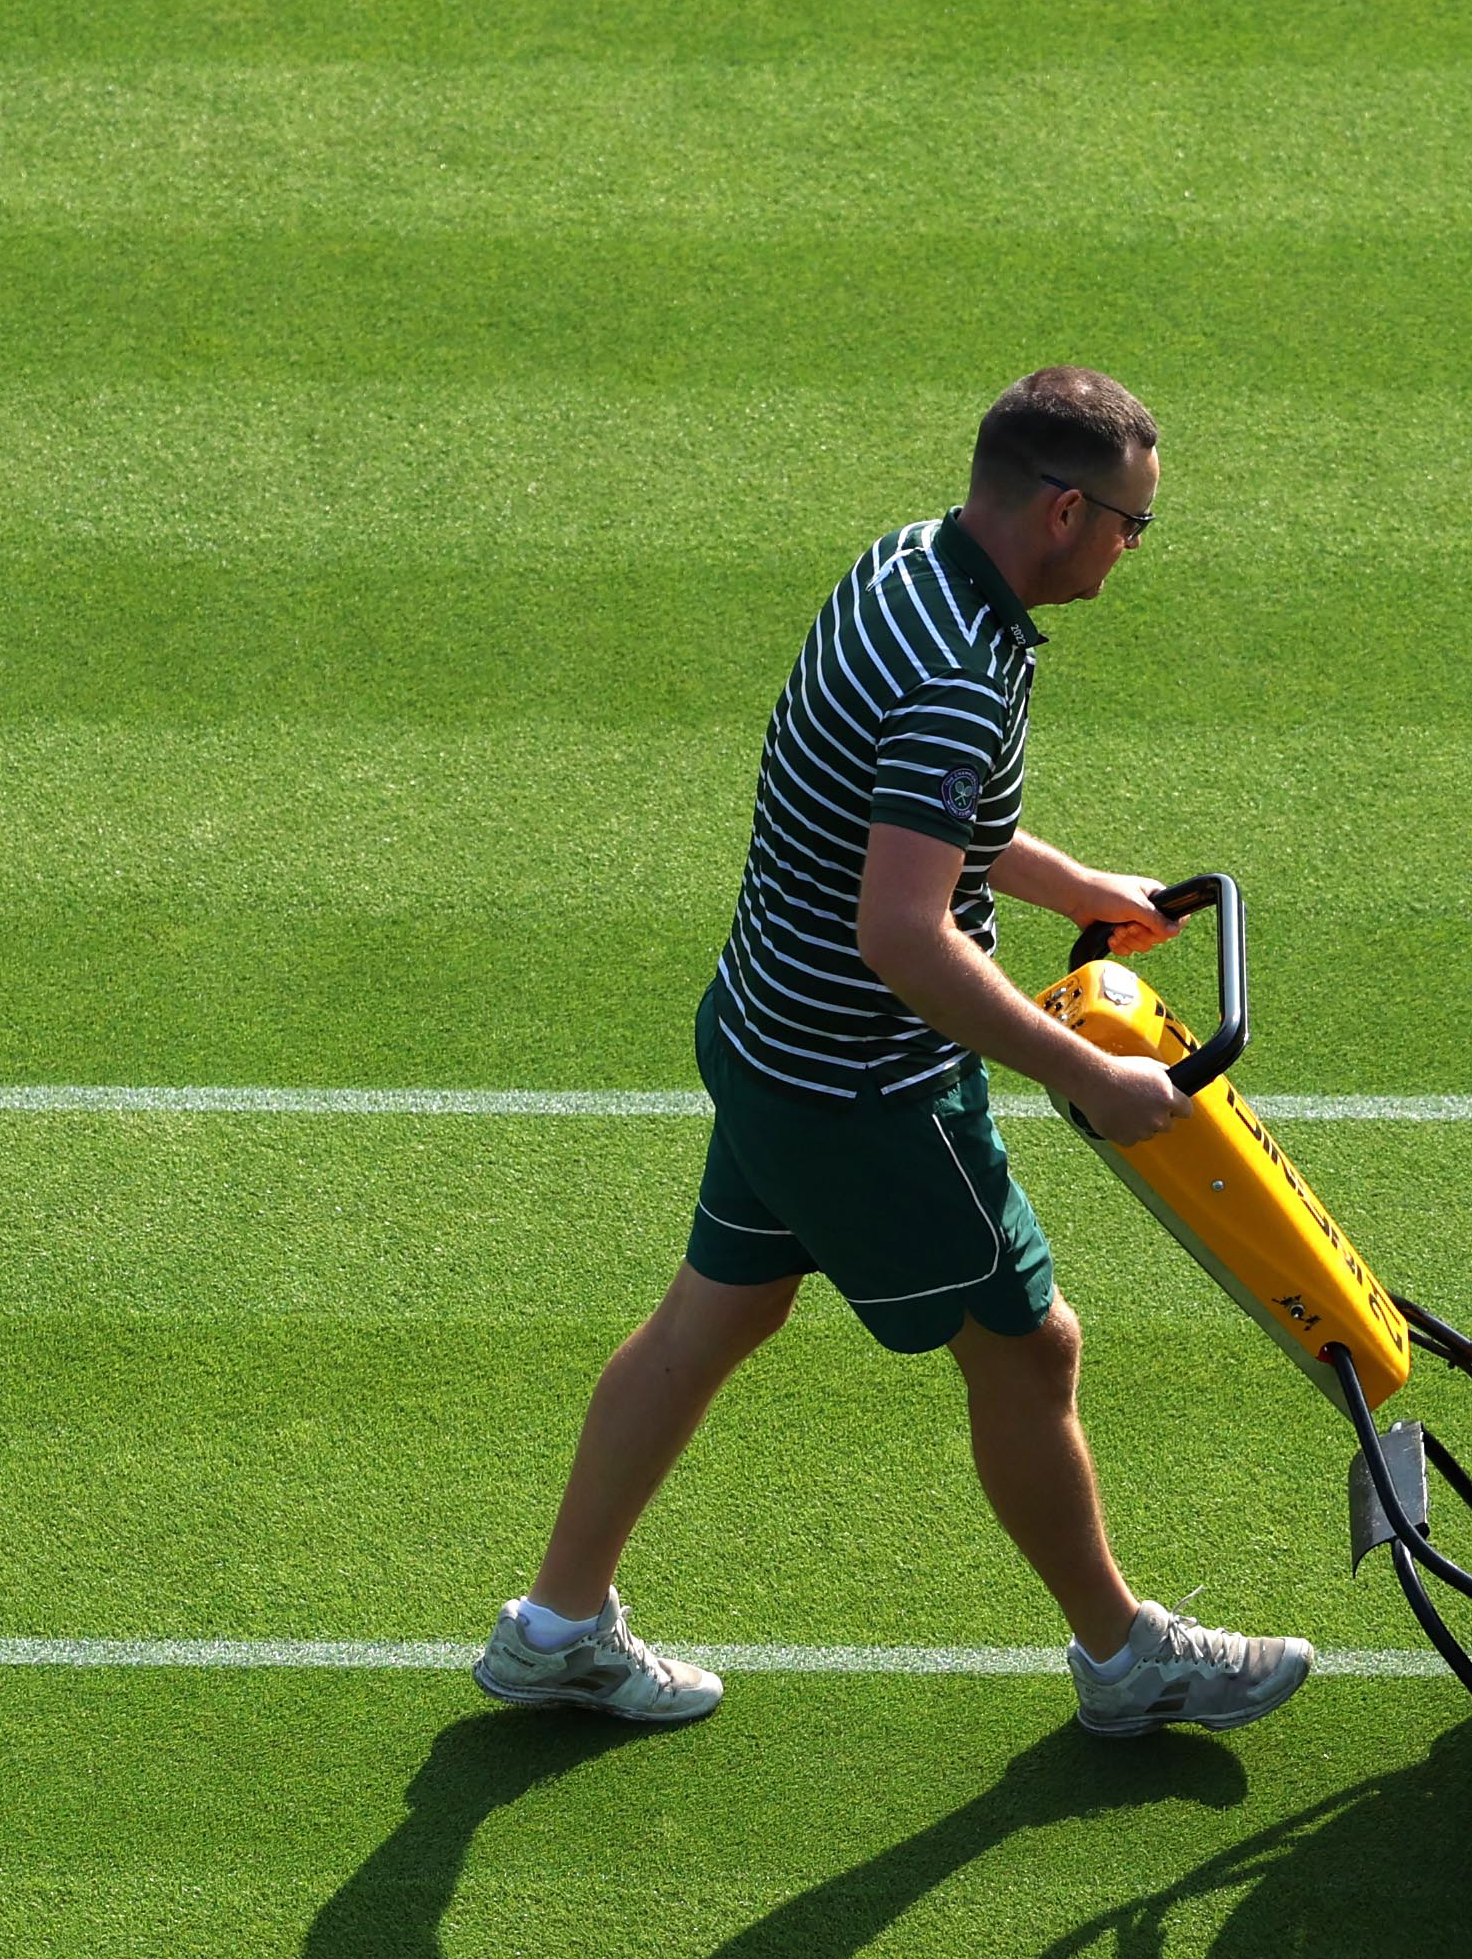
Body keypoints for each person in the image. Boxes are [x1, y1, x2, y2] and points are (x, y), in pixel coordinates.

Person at [475, 368, 1317, 1740]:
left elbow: (919, 824)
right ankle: (1125, 1659)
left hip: (764, 1033)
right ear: (1061, 510)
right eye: (1129, 526)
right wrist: (1082, 1070)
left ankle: (556, 1630)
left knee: (719, 1311)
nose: (1131, 549)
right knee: (1030, 1350)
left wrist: (1078, 889)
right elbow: (906, 938)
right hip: (861, 1084)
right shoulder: (952, 674)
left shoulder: (913, 565)